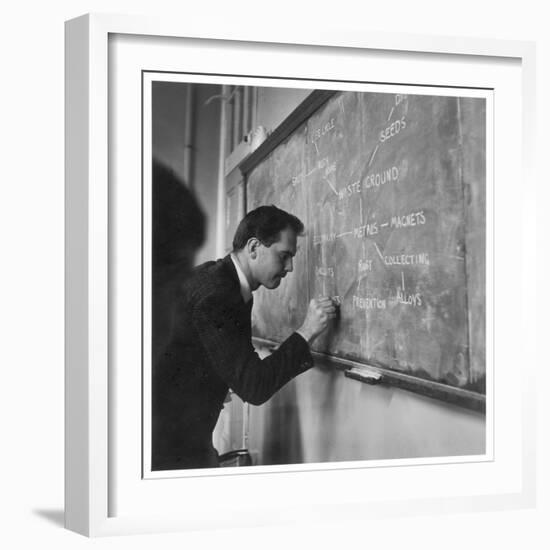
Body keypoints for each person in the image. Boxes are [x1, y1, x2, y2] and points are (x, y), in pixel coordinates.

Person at [152, 204, 336, 471]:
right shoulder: (218, 295)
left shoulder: (217, 278)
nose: (290, 267)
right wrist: (307, 332)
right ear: (253, 248)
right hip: (170, 446)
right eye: (284, 256)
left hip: (173, 435)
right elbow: (254, 386)